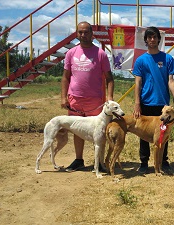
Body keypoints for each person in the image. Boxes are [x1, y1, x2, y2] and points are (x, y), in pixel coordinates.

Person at [61, 21, 114, 172]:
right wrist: (63, 97)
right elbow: (65, 77)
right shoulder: (71, 53)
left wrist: (109, 97)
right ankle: (79, 160)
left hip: (95, 100)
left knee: (99, 132)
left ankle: (100, 163)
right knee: (78, 130)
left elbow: (109, 78)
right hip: (75, 99)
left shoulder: (100, 54)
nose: (83, 35)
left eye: (86, 32)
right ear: (77, 34)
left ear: (92, 34)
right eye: (80, 32)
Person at [132, 26, 174, 174]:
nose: (152, 40)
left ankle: (163, 162)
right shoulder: (140, 60)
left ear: (159, 39)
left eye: (155, 37)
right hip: (146, 102)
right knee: (143, 134)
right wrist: (137, 103)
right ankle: (144, 163)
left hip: (163, 105)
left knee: (164, 133)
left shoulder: (167, 58)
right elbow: (138, 83)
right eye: (149, 37)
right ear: (145, 40)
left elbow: (171, 80)